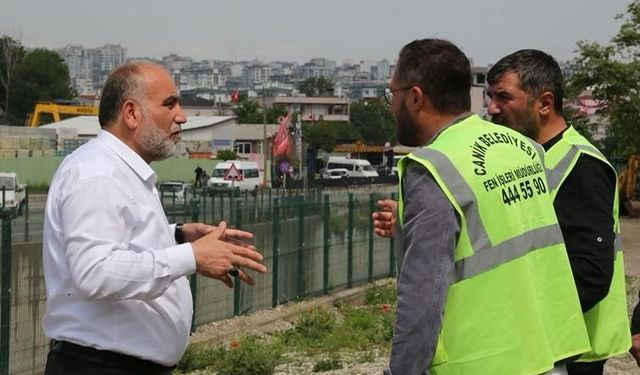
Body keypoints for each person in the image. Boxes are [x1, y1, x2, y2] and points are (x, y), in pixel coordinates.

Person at [42, 61, 267, 375]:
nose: (182, 117)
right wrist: (191, 257)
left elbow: (121, 239)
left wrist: (177, 235)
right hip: (100, 366)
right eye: (170, 104)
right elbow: (95, 272)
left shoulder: (119, 170)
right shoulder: (99, 175)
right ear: (131, 114)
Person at [381, 38, 589, 375]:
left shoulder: (434, 168)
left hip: (482, 361)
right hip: (545, 352)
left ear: (416, 97)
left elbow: (422, 296)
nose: (392, 106)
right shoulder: (522, 146)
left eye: (393, 95)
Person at [487, 49, 630, 375]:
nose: (491, 108)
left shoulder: (581, 164)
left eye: (503, 97)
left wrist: (523, 327)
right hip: (545, 348)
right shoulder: (526, 159)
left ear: (545, 104)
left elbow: (590, 275)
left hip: (571, 354)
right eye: (490, 97)